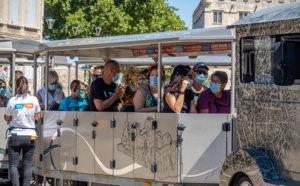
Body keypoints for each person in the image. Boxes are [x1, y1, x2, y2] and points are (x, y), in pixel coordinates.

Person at [4, 76, 41, 186]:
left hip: (15, 135)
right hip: (30, 135)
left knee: (14, 164)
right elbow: (38, 117)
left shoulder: (12, 100)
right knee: (28, 164)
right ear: (27, 87)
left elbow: (6, 117)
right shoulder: (34, 100)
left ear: (16, 87)